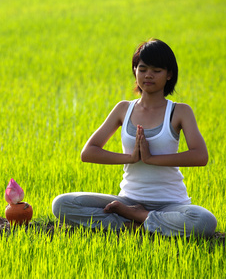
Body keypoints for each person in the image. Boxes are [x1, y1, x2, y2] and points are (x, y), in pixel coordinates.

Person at [52, 38, 217, 237]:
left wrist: (151, 159)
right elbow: (88, 152)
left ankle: (136, 217)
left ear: (169, 75)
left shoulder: (179, 111)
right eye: (142, 68)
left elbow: (200, 156)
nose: (148, 75)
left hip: (171, 204)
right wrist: (131, 158)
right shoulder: (124, 109)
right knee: (62, 204)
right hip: (127, 199)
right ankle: (139, 222)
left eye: (157, 71)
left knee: (204, 221)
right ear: (135, 70)